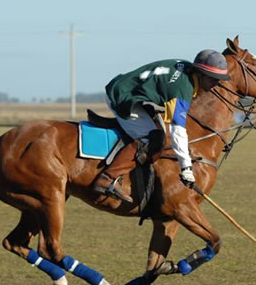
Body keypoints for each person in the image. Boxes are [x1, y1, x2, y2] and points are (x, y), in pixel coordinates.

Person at [92, 49, 231, 202]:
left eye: (218, 79)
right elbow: (177, 130)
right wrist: (186, 168)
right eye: (213, 78)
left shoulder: (186, 71)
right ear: (200, 73)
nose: (216, 83)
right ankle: (108, 178)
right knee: (152, 138)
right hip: (121, 96)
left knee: (158, 132)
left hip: (132, 91)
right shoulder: (181, 89)